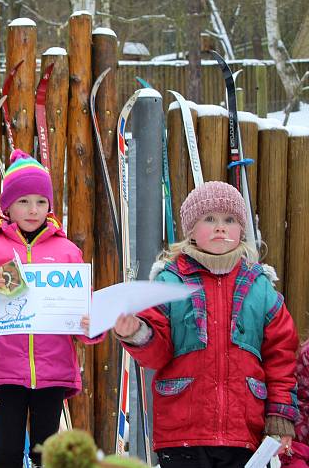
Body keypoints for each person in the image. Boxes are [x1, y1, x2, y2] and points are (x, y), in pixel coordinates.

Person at [113, 181, 298, 468]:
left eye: (230, 220)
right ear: (190, 230)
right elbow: (157, 355)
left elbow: (281, 358)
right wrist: (137, 333)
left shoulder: (261, 288)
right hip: (182, 431)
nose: (220, 227)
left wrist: (280, 418)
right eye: (209, 219)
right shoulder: (168, 282)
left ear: (242, 230)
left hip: (244, 433)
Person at [0, 150, 103, 468]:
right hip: (4, 369)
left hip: (53, 370)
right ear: (8, 205)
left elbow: (86, 310)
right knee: (9, 450)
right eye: (23, 201)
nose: (33, 209)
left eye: (41, 201)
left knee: (47, 452)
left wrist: (92, 326)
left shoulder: (67, 251)